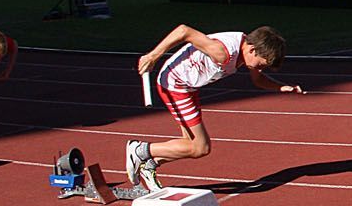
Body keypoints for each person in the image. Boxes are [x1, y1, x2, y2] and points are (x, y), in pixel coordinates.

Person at [128, 25, 304, 191]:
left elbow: (258, 80)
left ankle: (150, 163)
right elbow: (184, 31)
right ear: (252, 50)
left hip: (189, 87)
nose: (260, 69)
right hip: (175, 86)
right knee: (200, 147)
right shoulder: (222, 52)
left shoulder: (249, 49)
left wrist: (281, 87)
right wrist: (153, 56)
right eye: (261, 65)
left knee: (190, 145)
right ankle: (141, 151)